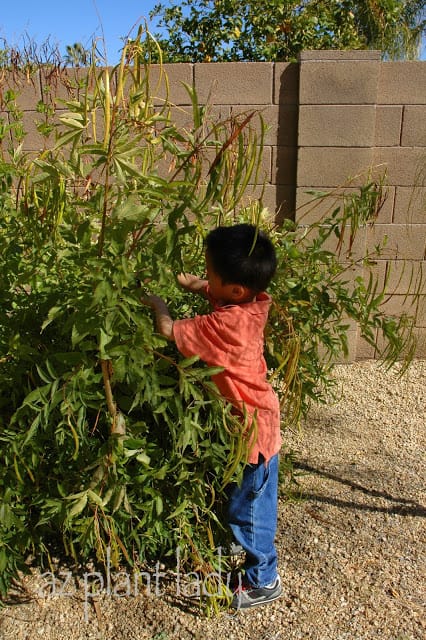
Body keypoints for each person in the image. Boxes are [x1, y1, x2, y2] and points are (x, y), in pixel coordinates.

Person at [143, 223, 282, 609]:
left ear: (234, 288)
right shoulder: (253, 303)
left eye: (210, 271)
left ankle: (264, 580)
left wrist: (158, 303)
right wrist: (196, 284)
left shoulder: (224, 326)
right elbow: (221, 295)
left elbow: (169, 331)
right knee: (253, 502)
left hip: (253, 432)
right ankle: (259, 571)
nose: (206, 275)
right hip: (259, 421)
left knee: (248, 511)